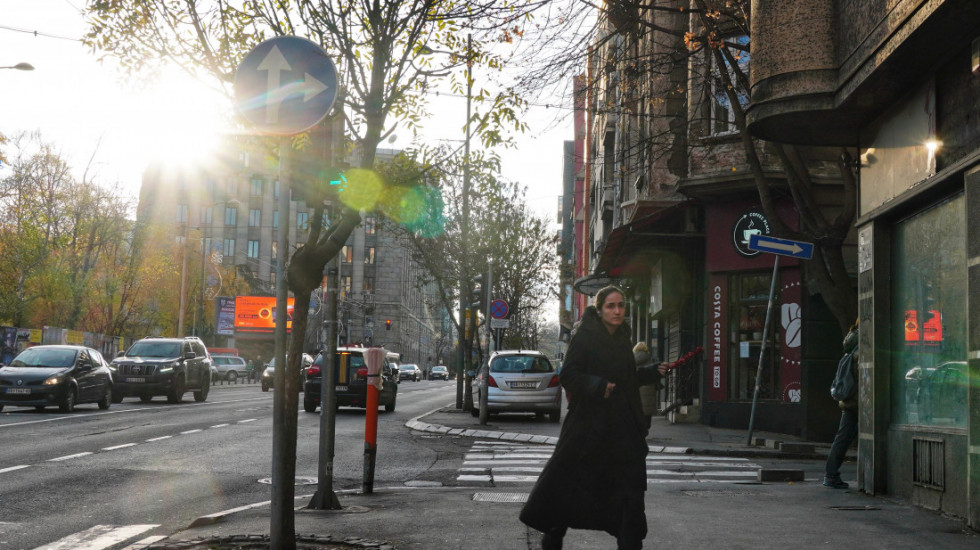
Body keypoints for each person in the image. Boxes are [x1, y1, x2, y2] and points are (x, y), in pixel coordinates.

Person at [519, 285, 667, 550]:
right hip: (587, 429)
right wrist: (598, 386)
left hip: (621, 429)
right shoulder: (585, 337)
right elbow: (568, 375)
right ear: (599, 311)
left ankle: (629, 540)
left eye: (621, 305)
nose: (617, 310)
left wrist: (652, 372)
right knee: (569, 486)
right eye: (611, 306)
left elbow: (626, 379)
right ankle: (553, 533)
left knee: (629, 491)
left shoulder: (623, 337)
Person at [824, 319, 859, 489]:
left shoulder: (851, 344)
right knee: (845, 438)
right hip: (859, 402)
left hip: (849, 400)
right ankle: (831, 475)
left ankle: (831, 474)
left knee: (843, 438)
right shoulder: (863, 346)